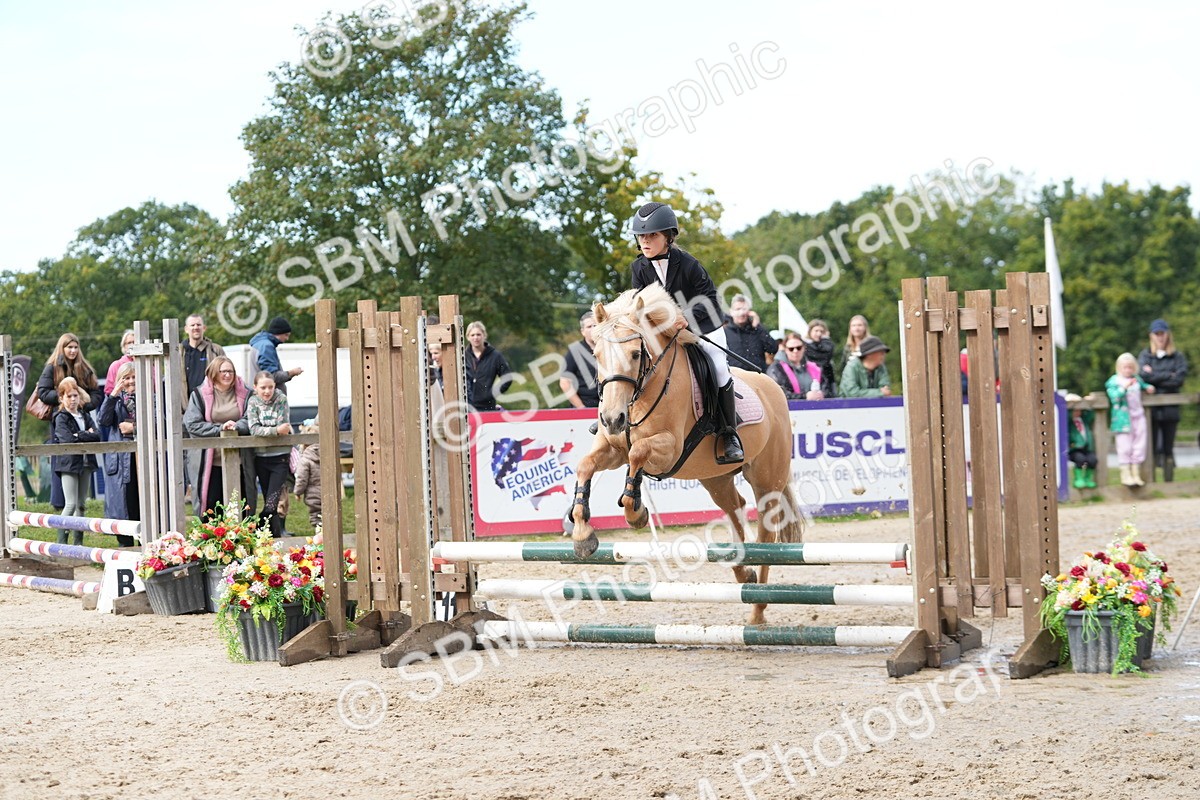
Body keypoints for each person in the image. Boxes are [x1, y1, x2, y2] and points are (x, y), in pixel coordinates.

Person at [629, 201, 742, 463]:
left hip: (704, 328)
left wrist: (686, 320)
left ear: (668, 237)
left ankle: (729, 433)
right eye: (642, 236)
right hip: (665, 333)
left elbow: (712, 301)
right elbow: (638, 305)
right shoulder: (638, 269)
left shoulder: (689, 264)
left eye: (652, 235)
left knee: (718, 366)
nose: (645, 241)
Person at [36, 333, 104, 514]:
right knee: (63, 461)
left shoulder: (85, 367)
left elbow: (96, 393)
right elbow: (42, 392)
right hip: (61, 419)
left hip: (82, 418)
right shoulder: (51, 368)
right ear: (62, 348)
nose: (73, 351)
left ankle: (76, 510)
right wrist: (64, 398)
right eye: (69, 347)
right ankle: (62, 504)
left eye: (75, 347)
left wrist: (83, 403)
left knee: (84, 463)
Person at [183, 356, 257, 521]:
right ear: (214, 373)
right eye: (223, 371)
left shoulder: (246, 393)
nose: (227, 375)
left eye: (230, 371)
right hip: (209, 461)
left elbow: (251, 418)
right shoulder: (199, 394)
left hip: (240, 460)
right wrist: (219, 429)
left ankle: (242, 541)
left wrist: (236, 426)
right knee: (211, 506)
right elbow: (192, 424)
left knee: (242, 504)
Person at [50, 378, 101, 545]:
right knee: (70, 504)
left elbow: (97, 435)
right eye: (69, 396)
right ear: (61, 398)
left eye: (75, 395)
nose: (73, 399)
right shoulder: (60, 417)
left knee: (81, 505)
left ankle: (78, 543)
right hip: (69, 464)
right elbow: (66, 440)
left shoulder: (85, 415)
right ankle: (61, 542)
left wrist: (79, 435)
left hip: (86, 463)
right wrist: (85, 434)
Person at [1138, 319, 1188, 481]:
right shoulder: (1146, 355)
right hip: (1150, 409)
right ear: (1151, 336)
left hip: (1170, 408)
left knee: (1168, 446)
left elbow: (1179, 379)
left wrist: (1155, 376)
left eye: (1162, 334)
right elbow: (1143, 377)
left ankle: (1169, 481)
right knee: (1151, 446)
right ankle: (1151, 481)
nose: (1160, 337)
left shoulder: (1177, 356)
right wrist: (1168, 375)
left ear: (1168, 335)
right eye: (1157, 334)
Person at [246, 371, 293, 537]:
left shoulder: (281, 399)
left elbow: (284, 425)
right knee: (268, 498)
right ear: (255, 388)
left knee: (273, 499)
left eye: (270, 387)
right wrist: (274, 430)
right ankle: (274, 536)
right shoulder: (252, 402)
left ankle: (260, 525)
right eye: (263, 388)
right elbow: (254, 429)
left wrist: (268, 429)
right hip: (261, 457)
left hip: (280, 457)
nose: (267, 391)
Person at [98, 363, 139, 546]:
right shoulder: (115, 400)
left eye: (133, 377)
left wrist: (134, 428)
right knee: (123, 506)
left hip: (142, 459)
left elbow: (159, 422)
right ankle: (125, 547)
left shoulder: (150, 398)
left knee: (141, 503)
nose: (130, 381)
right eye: (126, 378)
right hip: (121, 462)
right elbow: (103, 420)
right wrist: (114, 394)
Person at [1106, 352, 1155, 487]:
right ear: (1119, 368)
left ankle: (1136, 473)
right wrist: (1124, 388)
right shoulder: (1115, 381)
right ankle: (1125, 474)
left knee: (1139, 444)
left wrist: (1148, 388)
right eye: (1125, 367)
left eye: (1130, 367)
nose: (1128, 370)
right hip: (1123, 419)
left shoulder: (1136, 379)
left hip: (1137, 416)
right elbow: (1114, 397)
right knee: (1125, 446)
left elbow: (1143, 385)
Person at [465, 321, 512, 412]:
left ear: (484, 335)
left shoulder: (495, 356)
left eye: (478, 334)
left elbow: (507, 377)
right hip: (467, 407)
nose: (476, 338)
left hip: (487, 406)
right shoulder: (463, 356)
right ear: (468, 337)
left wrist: (492, 393)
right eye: (472, 335)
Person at [249, 317, 303, 395]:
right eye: (286, 335)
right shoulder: (267, 347)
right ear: (278, 332)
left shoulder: (260, 344)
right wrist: (291, 373)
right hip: (270, 400)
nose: (287, 338)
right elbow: (271, 376)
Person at [723, 294, 776, 373]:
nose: (741, 313)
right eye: (738, 309)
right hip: (735, 378)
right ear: (731, 312)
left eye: (744, 309)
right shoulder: (725, 332)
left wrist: (758, 326)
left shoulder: (757, 330)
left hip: (758, 378)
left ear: (750, 312)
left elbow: (773, 349)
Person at [767, 333, 826, 401]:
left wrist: (822, 394)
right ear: (785, 349)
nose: (795, 351)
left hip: (817, 408)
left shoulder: (815, 367)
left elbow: (827, 388)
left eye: (798, 348)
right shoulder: (776, 368)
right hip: (790, 409)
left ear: (804, 348)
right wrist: (805, 396)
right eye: (791, 349)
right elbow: (778, 393)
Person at [560, 311, 600, 408]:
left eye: (595, 325)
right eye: (589, 326)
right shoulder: (574, 351)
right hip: (585, 409)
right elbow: (565, 383)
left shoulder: (611, 349)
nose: (593, 329)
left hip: (609, 410)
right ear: (582, 331)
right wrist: (581, 408)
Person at [293, 425, 323, 530]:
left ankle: (321, 540)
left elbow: (302, 478)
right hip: (329, 493)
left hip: (313, 496)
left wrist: (297, 492)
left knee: (316, 519)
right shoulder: (327, 455)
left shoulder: (305, 459)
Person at [1066, 402, 1098, 489]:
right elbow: (1067, 415)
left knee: (1093, 460)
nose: (1077, 413)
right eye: (1075, 411)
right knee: (1080, 459)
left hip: (1086, 448)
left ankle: (1088, 479)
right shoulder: (1069, 422)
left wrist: (1087, 402)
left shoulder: (1084, 420)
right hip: (1075, 449)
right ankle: (1078, 479)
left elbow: (1091, 414)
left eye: (1079, 411)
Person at [805, 319, 837, 397]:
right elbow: (821, 358)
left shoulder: (826, 344)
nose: (819, 334)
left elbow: (827, 352)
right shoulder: (805, 347)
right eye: (816, 331)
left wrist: (825, 340)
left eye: (821, 331)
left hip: (827, 379)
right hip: (812, 378)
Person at [104, 330, 135, 396]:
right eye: (129, 343)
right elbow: (109, 391)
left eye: (135, 342)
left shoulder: (148, 365)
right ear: (124, 346)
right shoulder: (116, 365)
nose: (132, 345)